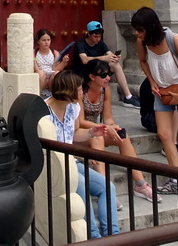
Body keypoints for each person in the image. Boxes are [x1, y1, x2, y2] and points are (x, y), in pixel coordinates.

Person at [131, 6, 178, 199]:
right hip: (161, 91)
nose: (138, 33)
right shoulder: (141, 41)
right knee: (164, 134)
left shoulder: (173, 39)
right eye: (136, 29)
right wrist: (152, 81)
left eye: (140, 29)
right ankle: (175, 176)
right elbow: (143, 61)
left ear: (151, 26)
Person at [44, 70, 121, 237]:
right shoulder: (44, 111)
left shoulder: (73, 107)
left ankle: (113, 234)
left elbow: (75, 134)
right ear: (68, 90)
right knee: (82, 186)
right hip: (56, 164)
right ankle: (93, 235)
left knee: (107, 187)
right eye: (79, 89)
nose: (81, 92)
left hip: (71, 160)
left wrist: (92, 132)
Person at [82, 60, 161, 202]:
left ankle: (140, 184)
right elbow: (80, 122)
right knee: (97, 138)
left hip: (97, 130)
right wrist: (105, 128)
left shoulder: (105, 90)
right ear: (92, 77)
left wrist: (114, 126)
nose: (108, 78)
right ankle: (105, 190)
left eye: (109, 74)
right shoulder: (81, 91)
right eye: (104, 75)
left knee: (123, 136)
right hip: (80, 134)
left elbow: (108, 118)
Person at [72, 21, 141, 108]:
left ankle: (128, 97)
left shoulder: (100, 43)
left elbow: (109, 54)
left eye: (99, 36)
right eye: (95, 36)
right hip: (83, 72)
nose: (98, 39)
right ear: (88, 34)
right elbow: (84, 60)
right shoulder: (80, 43)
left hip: (97, 72)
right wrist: (103, 58)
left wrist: (115, 57)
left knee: (115, 65)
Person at [34, 28, 68, 96]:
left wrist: (63, 62)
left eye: (48, 40)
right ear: (38, 41)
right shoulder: (34, 53)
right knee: (40, 73)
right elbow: (36, 69)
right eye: (43, 40)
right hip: (40, 78)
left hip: (51, 80)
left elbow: (55, 69)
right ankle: (39, 95)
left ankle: (54, 95)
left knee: (56, 74)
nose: (46, 42)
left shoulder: (55, 53)